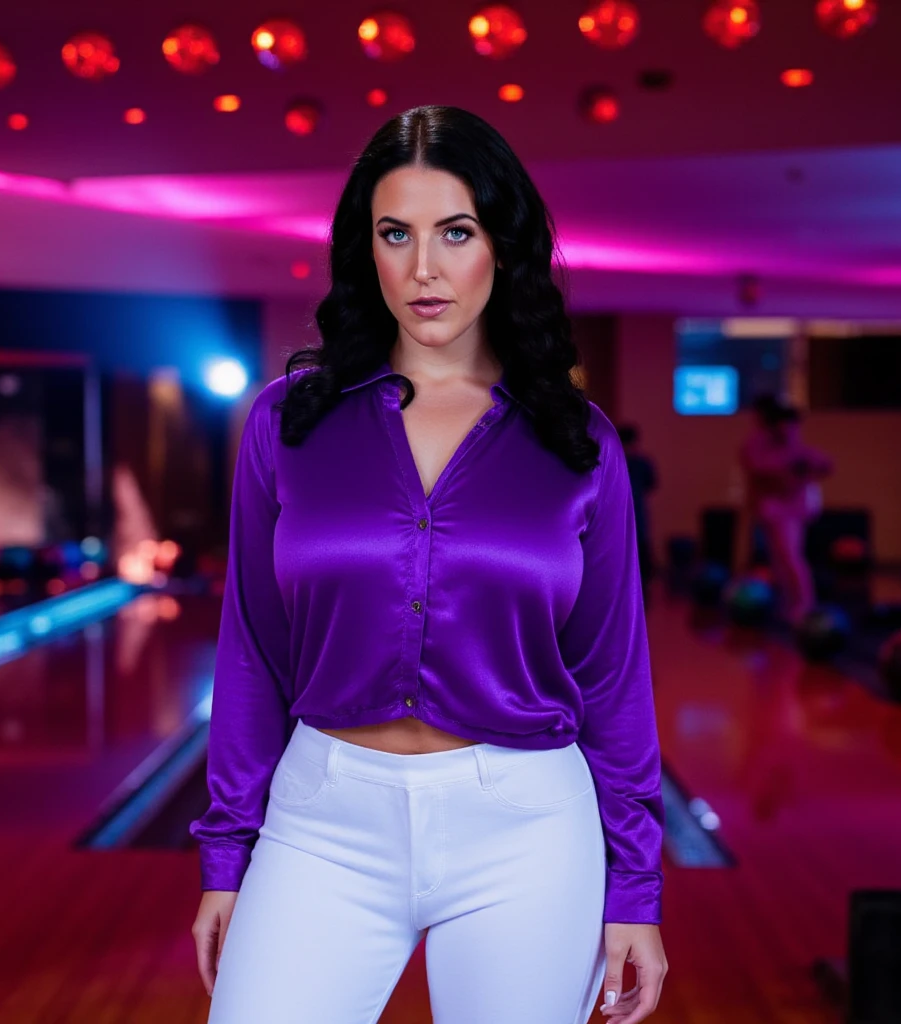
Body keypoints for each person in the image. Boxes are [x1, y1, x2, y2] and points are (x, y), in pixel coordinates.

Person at [189, 105, 667, 1024]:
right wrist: (225, 859)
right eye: (395, 233)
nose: (424, 269)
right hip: (324, 819)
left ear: (503, 244)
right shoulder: (287, 424)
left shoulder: (577, 443)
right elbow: (251, 647)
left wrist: (635, 891)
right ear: (364, 249)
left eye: (457, 231)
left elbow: (613, 673)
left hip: (526, 827)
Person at [740, 395, 834, 626]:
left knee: (790, 557)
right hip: (773, 508)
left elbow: (825, 464)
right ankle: (790, 605)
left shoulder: (795, 449)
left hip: (790, 509)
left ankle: (804, 605)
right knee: (781, 559)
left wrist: (802, 470)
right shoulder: (761, 444)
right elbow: (758, 467)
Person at [617, 424, 658, 599]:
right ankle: (640, 594)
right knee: (639, 554)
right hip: (635, 516)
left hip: (620, 517)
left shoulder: (613, 459)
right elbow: (652, 484)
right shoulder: (641, 462)